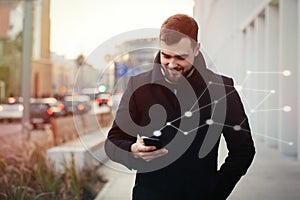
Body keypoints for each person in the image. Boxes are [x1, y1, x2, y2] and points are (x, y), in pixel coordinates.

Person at [105, 14, 255, 200]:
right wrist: (132, 151)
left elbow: (243, 150)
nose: (172, 64)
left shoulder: (221, 89)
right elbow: (113, 142)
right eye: (166, 55)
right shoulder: (138, 86)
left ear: (197, 49)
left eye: (181, 57)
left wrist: (215, 192)